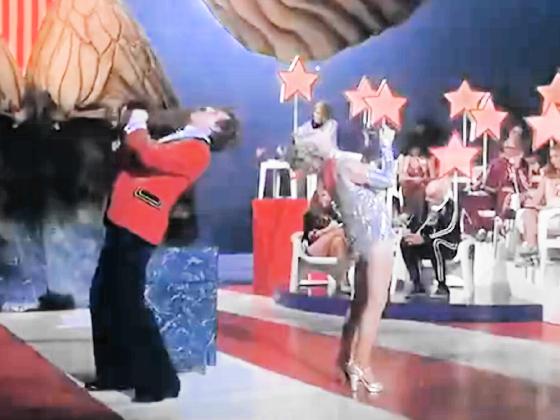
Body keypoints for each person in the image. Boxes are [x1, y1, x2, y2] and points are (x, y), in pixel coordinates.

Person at [86, 106, 238, 403]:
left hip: (138, 222)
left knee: (128, 303)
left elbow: (149, 156)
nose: (205, 108)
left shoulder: (197, 150)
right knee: (104, 297)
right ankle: (115, 372)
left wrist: (137, 124)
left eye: (213, 112)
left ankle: (159, 381)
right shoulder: (181, 138)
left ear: (217, 128)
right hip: (123, 217)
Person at [399, 178, 461, 298]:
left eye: (432, 197)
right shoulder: (425, 205)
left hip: (448, 244)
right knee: (406, 242)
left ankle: (442, 285)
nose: (428, 199)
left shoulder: (452, 207)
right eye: (427, 196)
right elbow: (416, 222)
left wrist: (426, 238)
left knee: (436, 243)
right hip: (426, 242)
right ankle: (416, 282)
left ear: (441, 195)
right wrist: (410, 230)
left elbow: (449, 229)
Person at [518, 144, 560, 258]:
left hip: (556, 213)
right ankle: (532, 247)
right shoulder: (547, 178)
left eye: (556, 156)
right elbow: (536, 200)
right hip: (548, 212)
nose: (553, 160)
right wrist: (529, 201)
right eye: (551, 157)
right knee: (528, 212)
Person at [302, 188, 349, 290]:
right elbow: (309, 236)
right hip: (314, 250)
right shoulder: (310, 215)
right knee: (340, 232)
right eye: (323, 195)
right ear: (317, 198)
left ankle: (340, 282)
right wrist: (326, 231)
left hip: (331, 250)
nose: (328, 198)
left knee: (338, 241)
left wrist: (327, 231)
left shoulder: (335, 215)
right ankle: (343, 280)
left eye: (329, 196)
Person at [399, 144, 432, 220]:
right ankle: (411, 215)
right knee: (414, 189)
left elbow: (430, 178)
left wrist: (424, 170)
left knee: (421, 189)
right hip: (408, 185)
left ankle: (418, 217)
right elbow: (401, 178)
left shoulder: (425, 159)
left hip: (421, 186)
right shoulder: (405, 158)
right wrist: (413, 180)